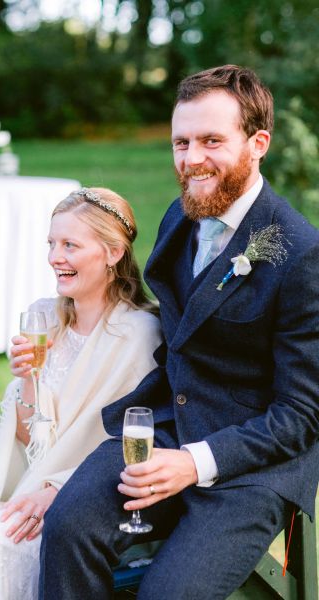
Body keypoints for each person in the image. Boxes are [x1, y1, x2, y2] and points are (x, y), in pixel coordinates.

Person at [38, 65, 319, 600]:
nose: (191, 160)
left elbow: (302, 416)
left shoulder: (303, 254)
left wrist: (195, 463)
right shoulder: (181, 217)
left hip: (250, 469)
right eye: (181, 142)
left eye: (212, 141)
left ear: (257, 143)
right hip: (160, 432)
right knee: (67, 529)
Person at [0, 187, 162, 600]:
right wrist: (26, 378)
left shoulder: (140, 335)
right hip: (29, 491)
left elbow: (127, 442)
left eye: (71, 245)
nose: (56, 256)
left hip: (94, 508)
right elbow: (27, 440)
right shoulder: (42, 318)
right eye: (52, 243)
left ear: (112, 253)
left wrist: (56, 491)